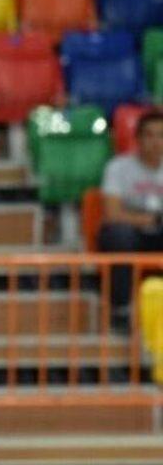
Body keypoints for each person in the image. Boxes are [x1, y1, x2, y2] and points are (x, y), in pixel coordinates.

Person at [98, 111, 163, 324]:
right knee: (119, 235)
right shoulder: (118, 167)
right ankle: (121, 310)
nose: (156, 142)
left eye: (161, 135)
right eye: (149, 135)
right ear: (138, 139)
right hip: (131, 235)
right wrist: (152, 220)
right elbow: (113, 213)